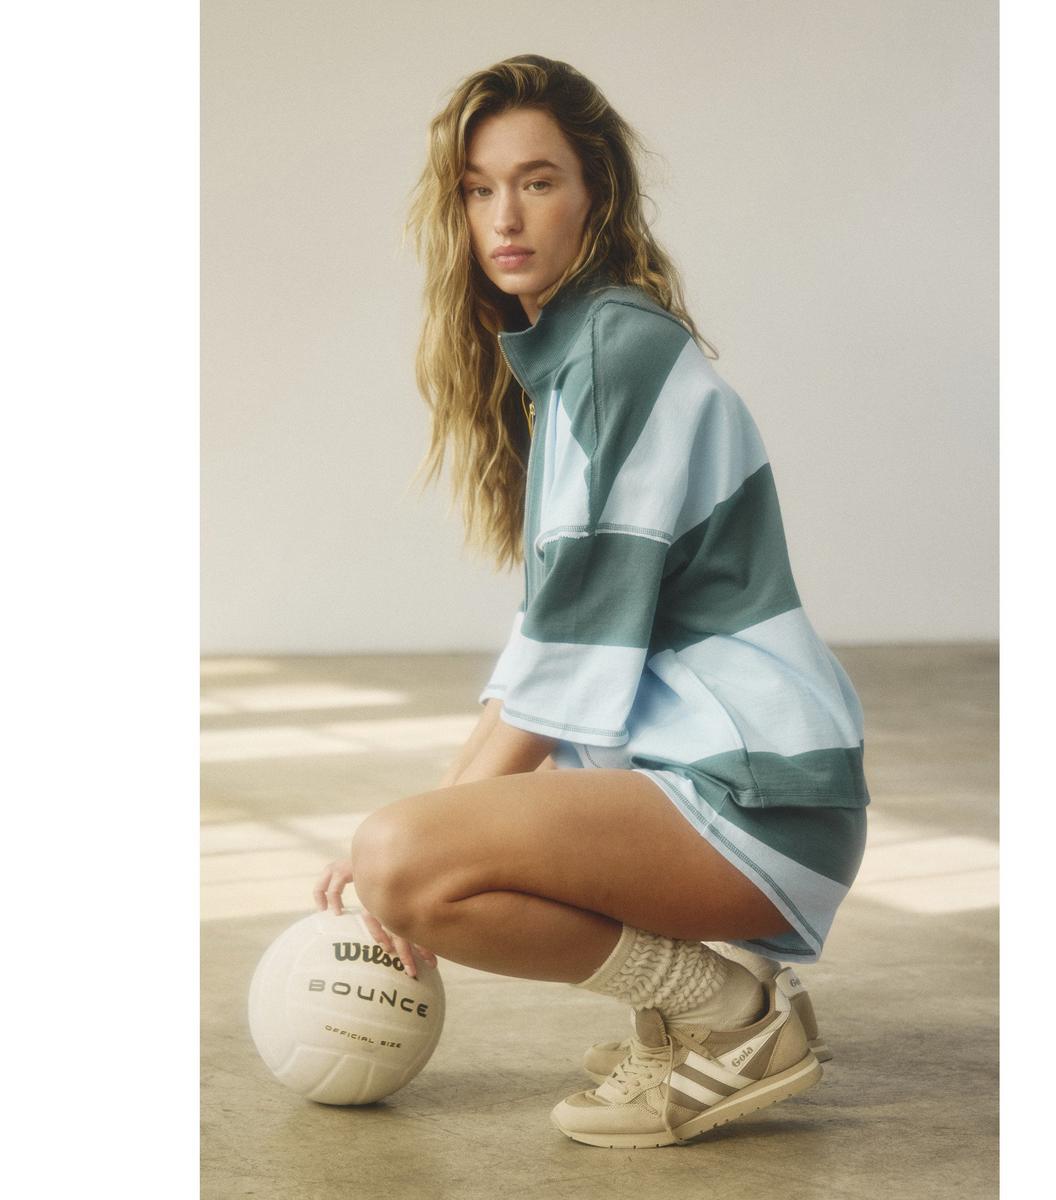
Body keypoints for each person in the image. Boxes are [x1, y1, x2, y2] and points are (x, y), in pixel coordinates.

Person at [312, 54, 870, 1149]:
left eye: (538, 181)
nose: (504, 217)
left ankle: (730, 1014)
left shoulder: (617, 356)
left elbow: (565, 673)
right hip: (733, 779)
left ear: (595, 193)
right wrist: (428, 826)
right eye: (479, 189)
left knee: (406, 859)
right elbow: (545, 650)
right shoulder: (582, 356)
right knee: (410, 849)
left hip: (758, 792)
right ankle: (702, 1010)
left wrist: (409, 852)